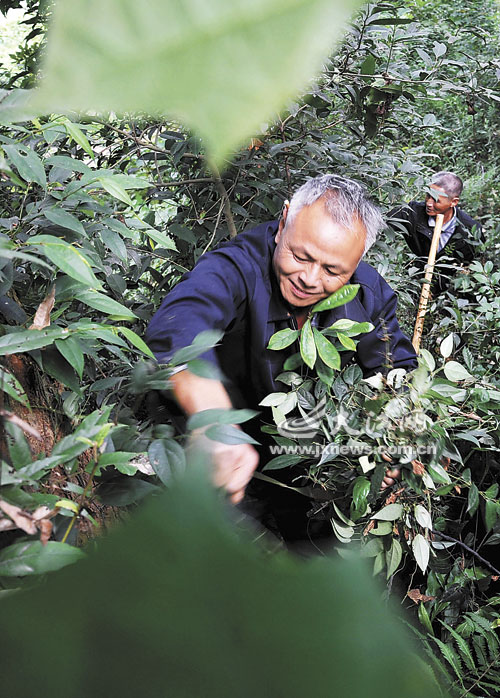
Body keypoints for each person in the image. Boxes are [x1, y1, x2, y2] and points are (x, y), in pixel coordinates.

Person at [146, 175, 416, 536]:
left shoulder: (368, 294)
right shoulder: (238, 267)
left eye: (333, 271)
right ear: (283, 221)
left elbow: (394, 366)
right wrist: (214, 423)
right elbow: (177, 330)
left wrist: (394, 436)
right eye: (300, 256)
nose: (309, 278)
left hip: (302, 459)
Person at [388, 171, 482, 293]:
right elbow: (381, 224)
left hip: (448, 290)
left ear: (454, 202)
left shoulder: (470, 230)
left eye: (436, 200)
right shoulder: (411, 212)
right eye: (428, 195)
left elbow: (475, 267)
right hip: (414, 278)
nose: (428, 203)